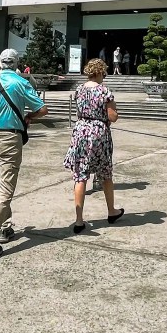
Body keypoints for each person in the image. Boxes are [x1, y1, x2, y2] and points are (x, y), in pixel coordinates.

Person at [0, 48, 48, 260]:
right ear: (16, 63)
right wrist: (29, 117)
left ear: (0, 64)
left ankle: (5, 226)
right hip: (10, 139)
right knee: (5, 190)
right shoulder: (21, 83)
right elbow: (42, 109)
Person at [64, 59, 123, 232]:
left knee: (80, 176)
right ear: (99, 72)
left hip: (81, 130)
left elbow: (79, 111)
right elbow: (112, 117)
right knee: (105, 173)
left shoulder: (79, 89)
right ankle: (111, 211)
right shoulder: (104, 91)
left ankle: (79, 220)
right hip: (98, 133)